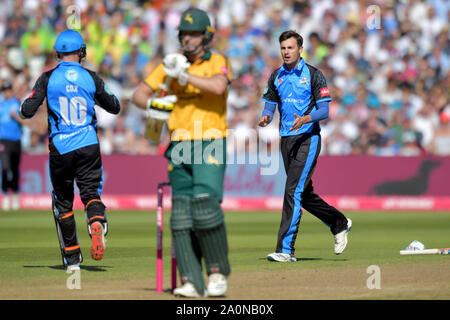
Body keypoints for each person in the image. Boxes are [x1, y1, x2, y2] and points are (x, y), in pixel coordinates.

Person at [132, 8, 232, 297]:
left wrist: (184, 75)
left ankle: (216, 273)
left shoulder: (218, 61)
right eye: (185, 34)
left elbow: (217, 86)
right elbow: (137, 94)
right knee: (182, 215)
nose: (188, 39)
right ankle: (191, 280)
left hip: (210, 139)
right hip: (178, 144)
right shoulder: (170, 64)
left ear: (206, 36)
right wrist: (150, 105)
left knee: (206, 204)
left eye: (194, 34)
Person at [20, 30, 121, 271]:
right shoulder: (90, 77)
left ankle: (72, 259)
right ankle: (96, 222)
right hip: (87, 144)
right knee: (90, 193)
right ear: (80, 51)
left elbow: (27, 109)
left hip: (60, 148)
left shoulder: (48, 78)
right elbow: (114, 106)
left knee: (63, 202)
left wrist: (29, 105)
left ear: (58, 53)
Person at [258, 30, 352, 262]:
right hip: (286, 139)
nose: (286, 52)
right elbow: (270, 105)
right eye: (283, 48)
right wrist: (266, 117)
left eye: (290, 48)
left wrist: (307, 118)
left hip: (308, 137)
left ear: (300, 49)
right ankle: (339, 222)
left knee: (292, 191)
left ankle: (286, 250)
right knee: (303, 192)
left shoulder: (313, 74)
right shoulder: (276, 75)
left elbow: (324, 110)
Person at [0, 81, 24, 211]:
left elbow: (26, 122)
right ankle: (5, 197)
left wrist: (16, 117)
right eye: (5, 90)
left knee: (14, 169)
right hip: (3, 141)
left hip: (16, 140)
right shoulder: (1, 105)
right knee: (5, 168)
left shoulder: (16, 104)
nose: (7, 92)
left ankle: (15, 197)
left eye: (8, 90)